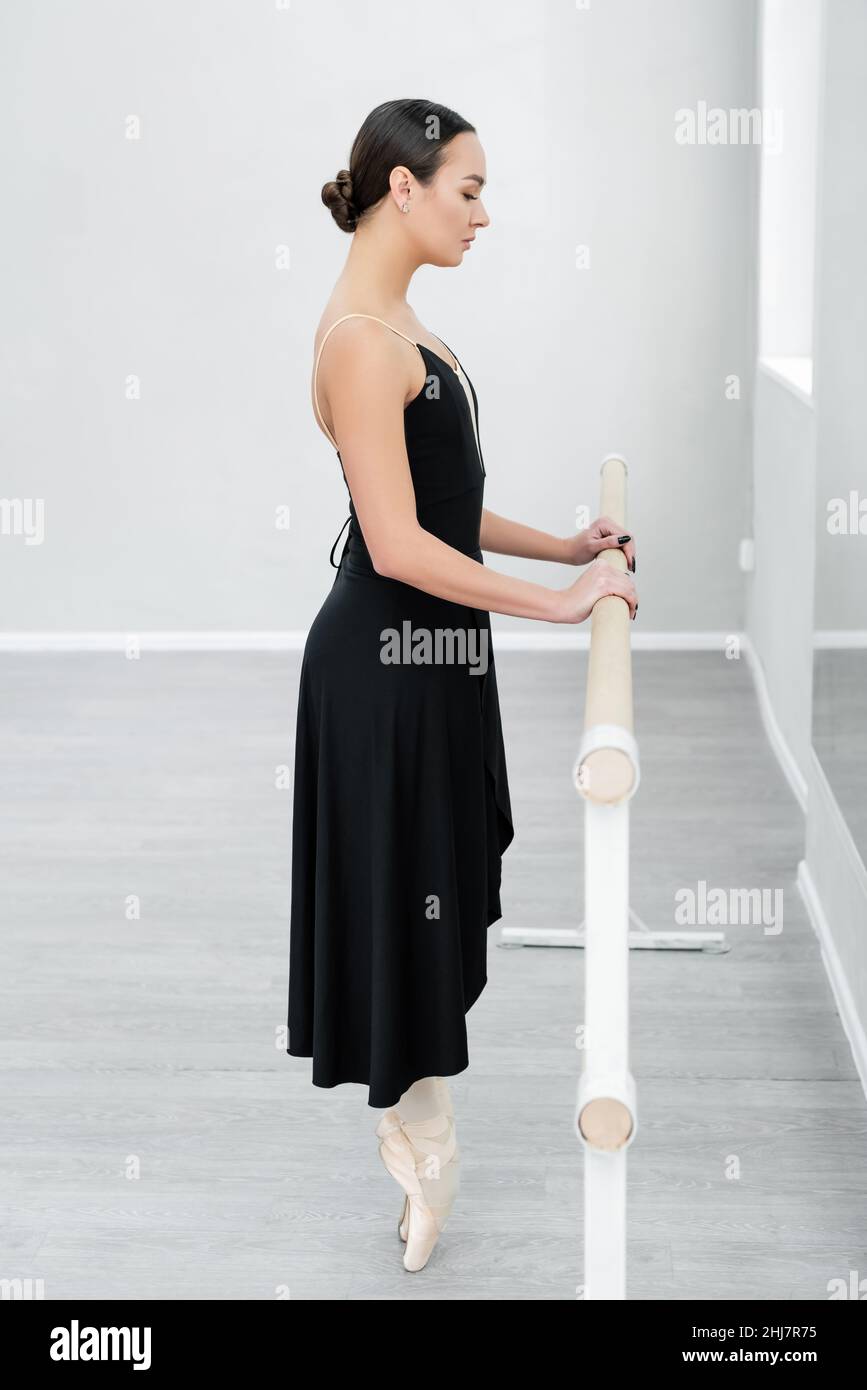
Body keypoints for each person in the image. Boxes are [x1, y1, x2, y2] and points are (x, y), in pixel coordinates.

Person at [286, 98, 638, 1272]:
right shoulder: (359, 339)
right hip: (383, 671)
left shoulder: (400, 323)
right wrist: (556, 609)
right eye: (469, 189)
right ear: (403, 186)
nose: (485, 214)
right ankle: (423, 1148)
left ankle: (424, 1139)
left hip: (431, 662)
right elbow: (394, 544)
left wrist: (566, 552)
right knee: (405, 904)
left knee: (428, 892)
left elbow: (444, 509)